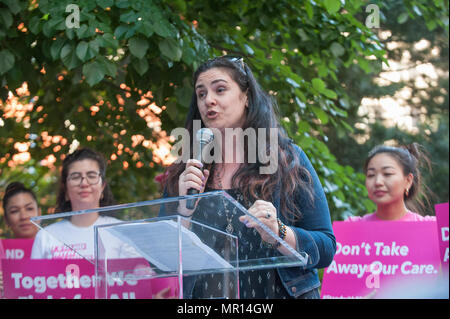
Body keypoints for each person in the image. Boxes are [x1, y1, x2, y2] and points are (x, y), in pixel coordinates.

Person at [162, 56, 336, 298]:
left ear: (246, 96)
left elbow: (326, 248)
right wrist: (183, 210)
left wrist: (280, 232)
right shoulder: (186, 172)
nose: (208, 100)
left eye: (220, 89)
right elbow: (161, 263)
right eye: (201, 94)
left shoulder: (287, 160)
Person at [31, 148, 121, 260]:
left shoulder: (121, 232)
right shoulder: (46, 236)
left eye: (91, 176)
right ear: (66, 190)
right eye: (75, 177)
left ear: (102, 187)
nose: (84, 183)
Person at [347, 143, 435, 221]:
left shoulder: (433, 227)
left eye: (387, 174)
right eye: (371, 175)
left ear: (408, 180)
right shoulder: (352, 227)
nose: (378, 182)